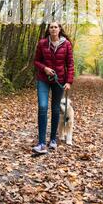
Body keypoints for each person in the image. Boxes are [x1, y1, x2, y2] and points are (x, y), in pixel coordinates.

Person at [32, 21, 75, 154]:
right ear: (48, 30)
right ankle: (41, 143)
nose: (53, 29)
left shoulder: (66, 44)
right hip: (43, 79)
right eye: (51, 27)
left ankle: (53, 140)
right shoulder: (42, 43)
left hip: (59, 81)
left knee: (56, 108)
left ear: (60, 29)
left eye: (56, 27)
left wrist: (69, 82)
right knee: (43, 106)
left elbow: (70, 64)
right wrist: (44, 68)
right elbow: (36, 61)